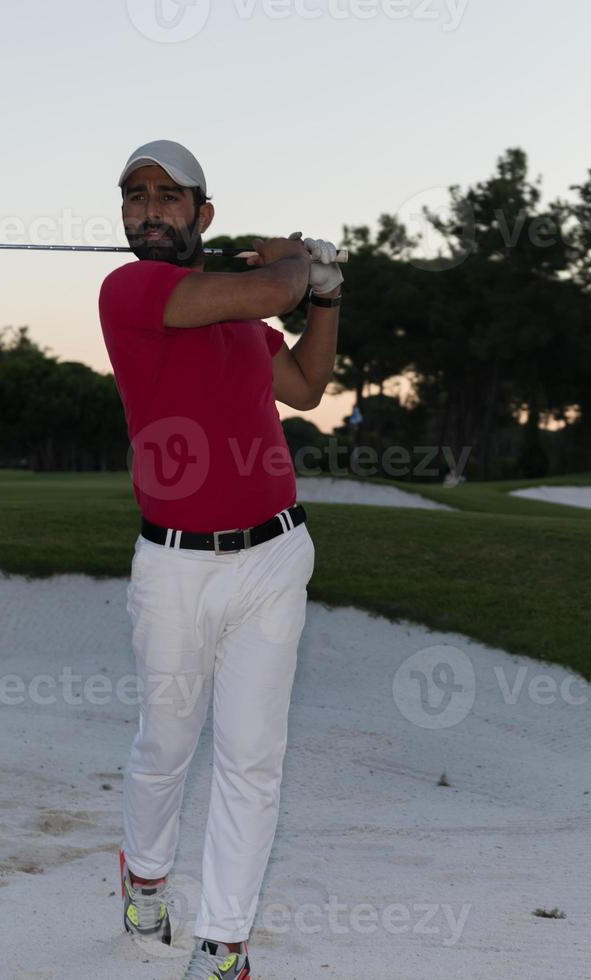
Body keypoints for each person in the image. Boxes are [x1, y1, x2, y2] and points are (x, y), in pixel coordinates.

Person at [98, 139, 343, 980]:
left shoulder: (236, 313)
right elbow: (276, 284)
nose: (150, 209)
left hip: (275, 553)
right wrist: (297, 266)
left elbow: (307, 388)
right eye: (136, 197)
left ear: (202, 216)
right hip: (174, 567)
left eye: (170, 197)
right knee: (166, 744)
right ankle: (146, 874)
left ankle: (224, 944)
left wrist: (328, 296)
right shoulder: (131, 289)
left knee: (251, 756)